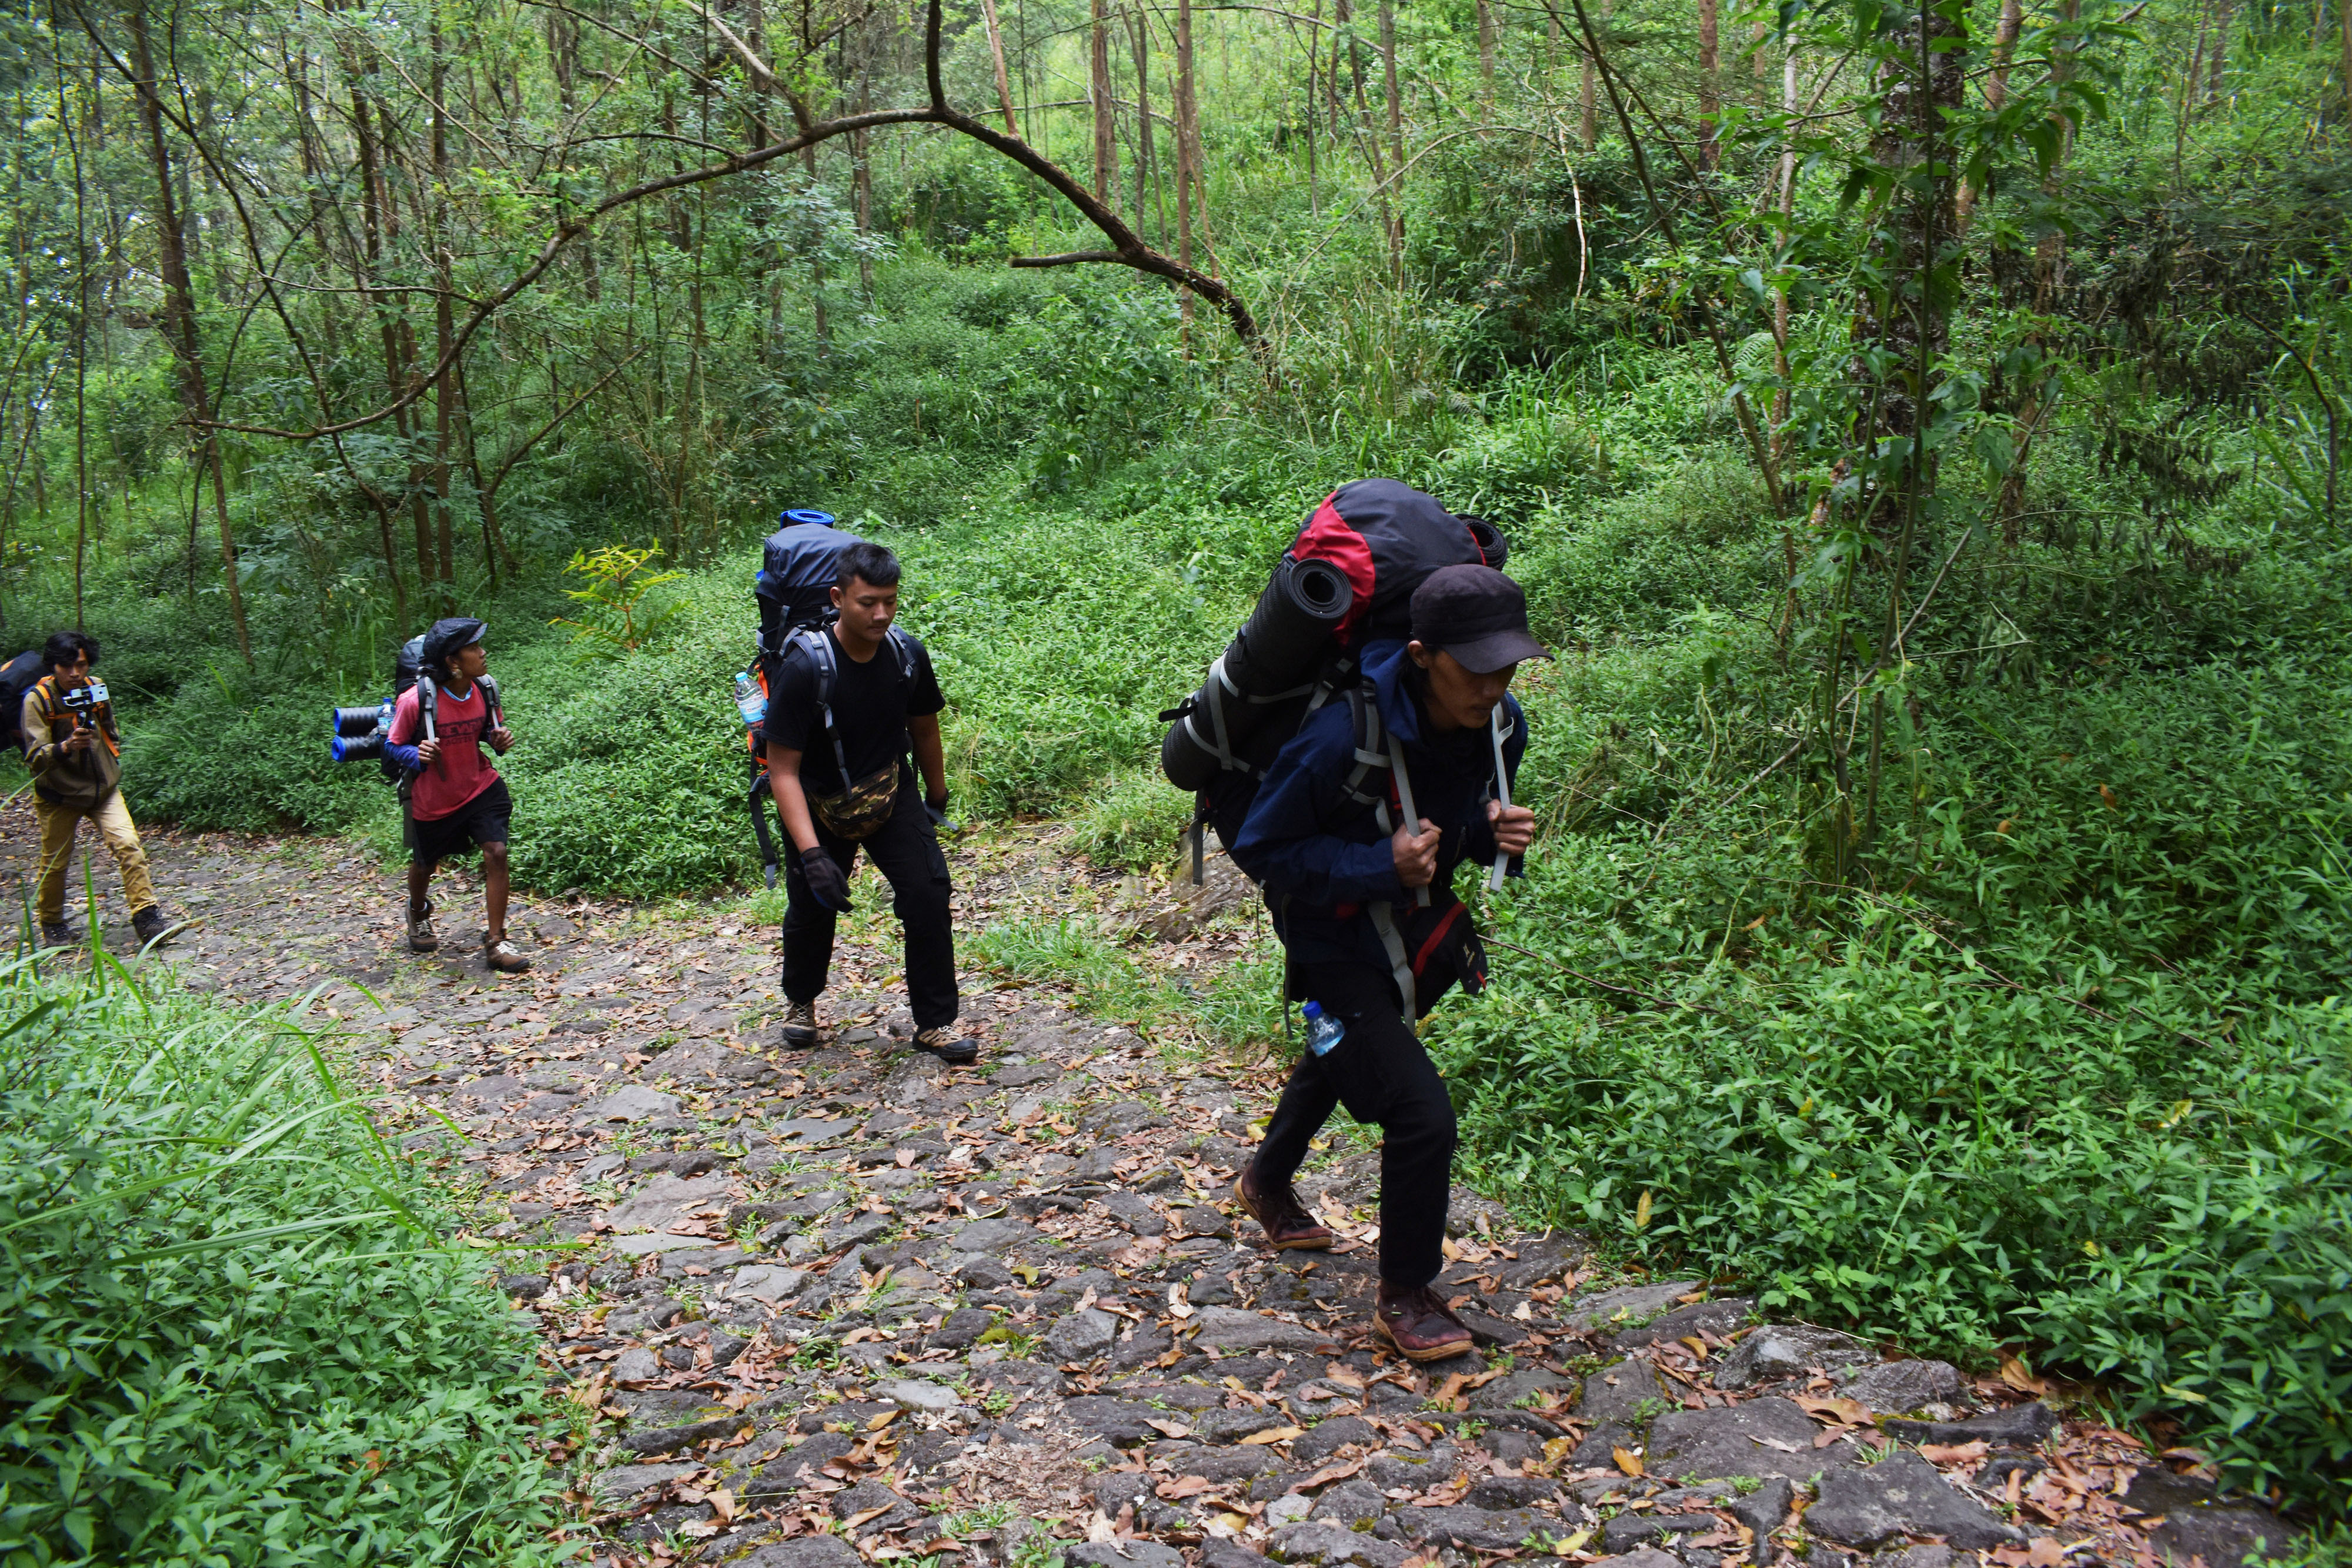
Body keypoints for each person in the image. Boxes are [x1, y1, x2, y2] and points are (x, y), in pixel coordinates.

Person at [1226, 564, 1545, 1361]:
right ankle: (1404, 1292)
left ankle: (1265, 1180)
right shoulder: (1342, 736)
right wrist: (1379, 865)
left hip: (1410, 928)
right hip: (1330, 937)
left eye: (1506, 666)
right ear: (1420, 654)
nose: (1492, 686)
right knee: (1421, 1112)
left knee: (1343, 1050)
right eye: (1475, 668)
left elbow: (1449, 828)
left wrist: (1488, 832)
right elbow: (1265, 847)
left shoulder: (1503, 727)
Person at [764, 541, 973, 1065]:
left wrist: (937, 792)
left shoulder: (907, 655)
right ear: (838, 597)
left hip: (890, 790)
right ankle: (801, 1002)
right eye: (867, 602)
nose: (880, 613)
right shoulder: (804, 667)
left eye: (890, 601)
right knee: (812, 906)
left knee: (928, 895)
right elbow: (782, 769)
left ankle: (935, 1023)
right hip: (817, 799)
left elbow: (924, 727)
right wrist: (813, 855)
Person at [383, 617, 528, 974]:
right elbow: (392, 746)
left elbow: (483, 732)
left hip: (479, 784)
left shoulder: (485, 689)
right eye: (474, 648)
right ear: (453, 660)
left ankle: (496, 941)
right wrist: (415, 755)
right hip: (435, 798)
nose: (483, 653)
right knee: (425, 865)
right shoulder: (414, 700)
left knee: (497, 851)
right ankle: (418, 911)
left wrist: (497, 740)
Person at [19, 630, 178, 948]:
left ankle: (148, 919)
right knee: (55, 862)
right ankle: (52, 923)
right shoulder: (37, 701)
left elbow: (110, 728)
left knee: (128, 844)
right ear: (53, 666)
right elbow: (35, 758)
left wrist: (111, 757)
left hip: (103, 790)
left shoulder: (95, 688)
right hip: (59, 796)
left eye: (82, 664)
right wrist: (65, 747)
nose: (76, 673)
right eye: (67, 666)